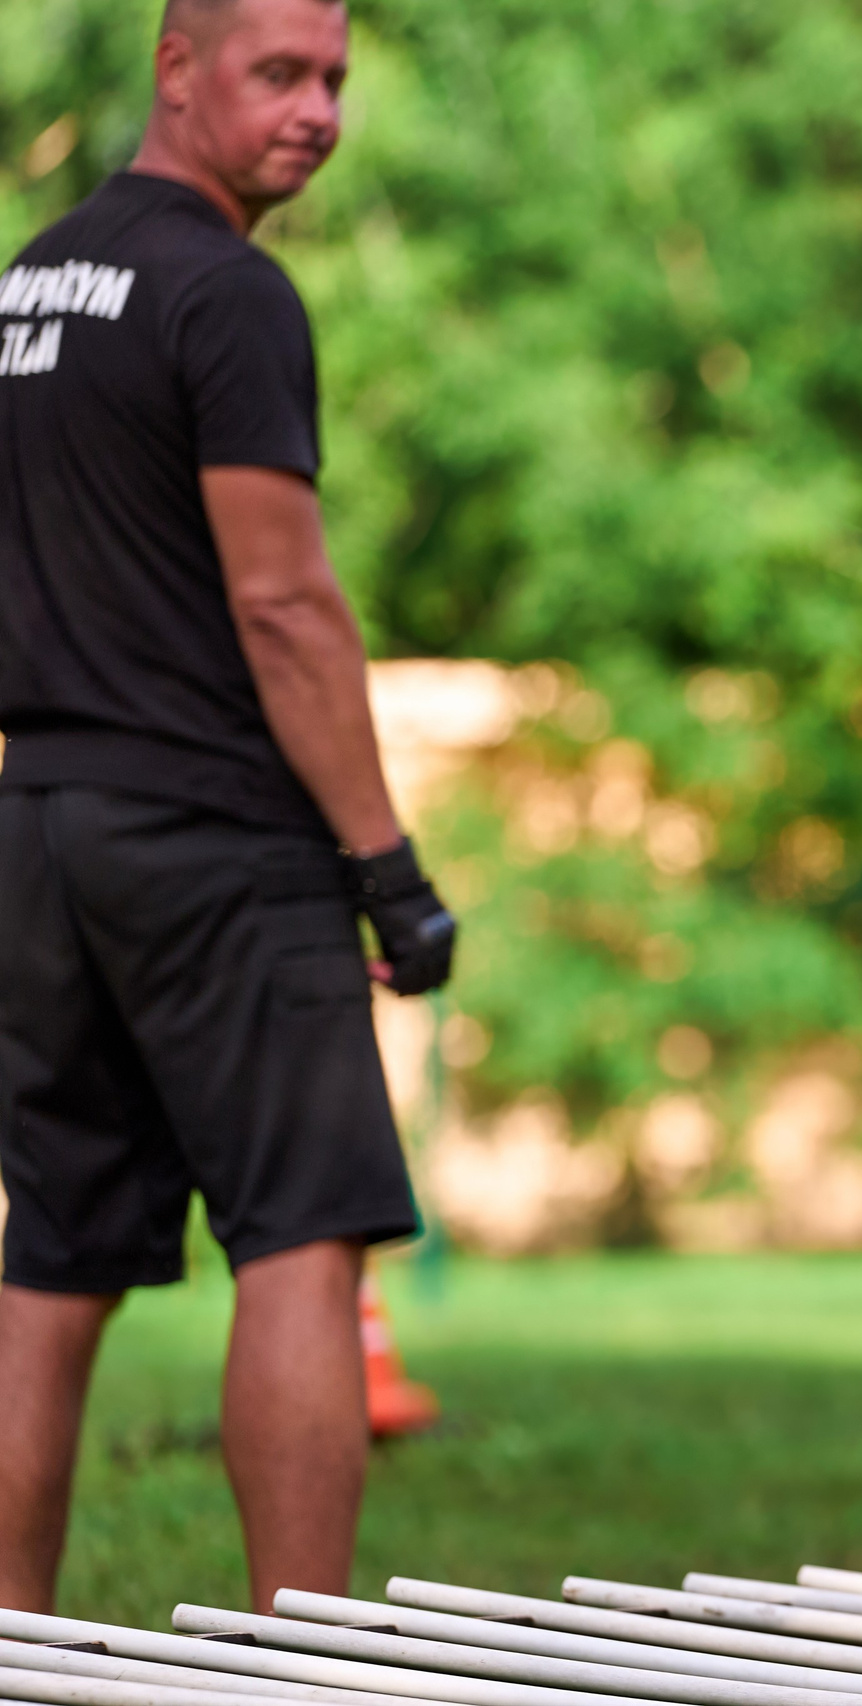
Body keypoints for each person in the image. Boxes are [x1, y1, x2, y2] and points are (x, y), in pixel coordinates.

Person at [0, 0, 456, 1615]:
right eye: (280, 74)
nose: (318, 110)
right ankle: (298, 1657)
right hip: (212, 834)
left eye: (333, 77)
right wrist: (385, 864)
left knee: (50, 1263)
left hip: (44, 827)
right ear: (174, 70)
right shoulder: (227, 292)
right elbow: (284, 604)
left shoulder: (26, 287)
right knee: (303, 1236)